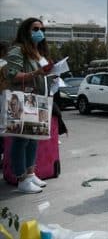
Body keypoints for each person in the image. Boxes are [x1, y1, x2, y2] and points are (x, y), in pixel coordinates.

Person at [3, 17, 53, 193]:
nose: (40, 32)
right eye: (36, 28)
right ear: (26, 30)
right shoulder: (18, 50)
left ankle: (31, 174)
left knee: (33, 138)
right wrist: (36, 72)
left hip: (37, 99)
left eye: (42, 29)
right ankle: (21, 178)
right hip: (23, 98)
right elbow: (12, 75)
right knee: (21, 139)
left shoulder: (38, 52)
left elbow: (43, 74)